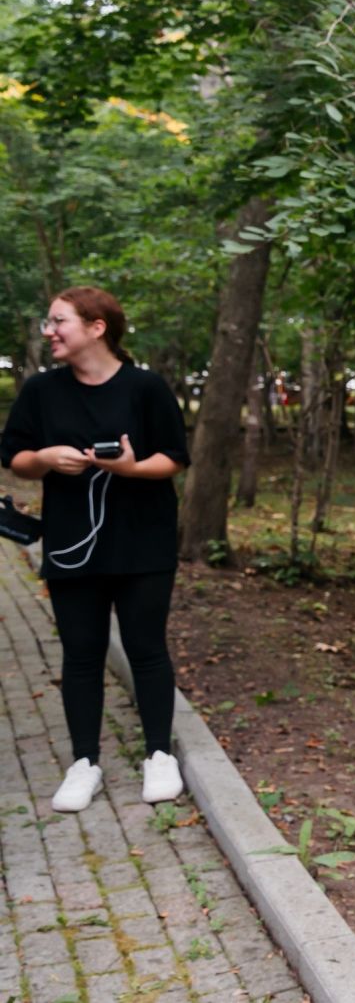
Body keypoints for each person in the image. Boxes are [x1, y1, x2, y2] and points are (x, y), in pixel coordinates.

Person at [1, 286, 190, 812]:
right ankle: (84, 764)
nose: (49, 331)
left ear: (96, 328)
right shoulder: (41, 391)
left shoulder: (146, 387)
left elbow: (175, 457)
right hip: (71, 547)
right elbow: (13, 457)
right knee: (81, 655)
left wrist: (131, 468)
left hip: (144, 542)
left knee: (146, 648)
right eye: (48, 322)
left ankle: (159, 755)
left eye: (58, 321)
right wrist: (45, 458)